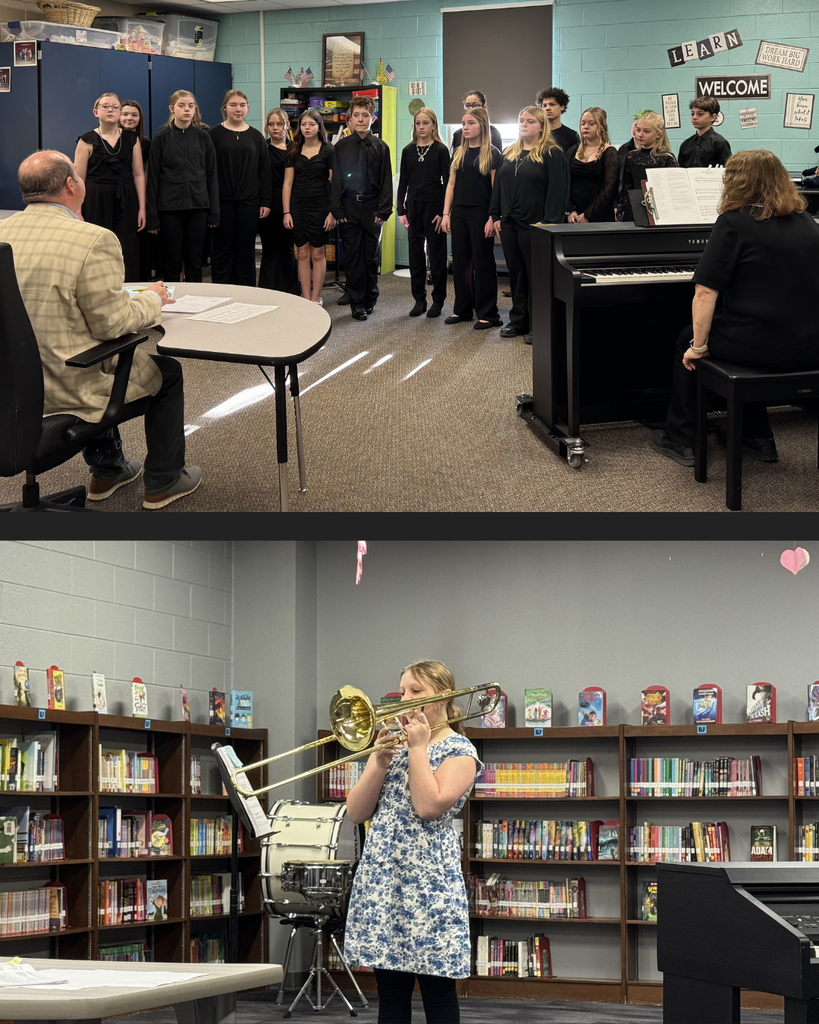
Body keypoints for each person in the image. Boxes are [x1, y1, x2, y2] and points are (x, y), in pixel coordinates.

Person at [0, 151, 202, 510]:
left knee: (99, 349)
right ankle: (163, 481)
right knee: (164, 373)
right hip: (67, 388)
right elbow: (112, 324)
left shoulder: (2, 232)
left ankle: (108, 469)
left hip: (9, 391)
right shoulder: (93, 239)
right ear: (70, 185)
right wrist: (152, 299)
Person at [650, 149, 819, 467]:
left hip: (759, 346)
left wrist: (698, 348)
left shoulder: (734, 221)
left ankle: (681, 438)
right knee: (744, 328)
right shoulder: (806, 222)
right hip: (809, 344)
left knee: (687, 338)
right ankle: (756, 436)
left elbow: (704, 293)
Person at [343, 660, 480, 1024]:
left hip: (428, 886)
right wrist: (378, 760)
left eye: (416, 691)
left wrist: (418, 748)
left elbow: (429, 805)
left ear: (444, 695)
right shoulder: (396, 746)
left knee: (437, 995)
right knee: (390, 997)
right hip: (385, 879)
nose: (405, 699)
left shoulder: (461, 752)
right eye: (402, 690)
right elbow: (356, 812)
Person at [490, 106, 569, 342]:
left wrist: (548, 222)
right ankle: (518, 321)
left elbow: (559, 191)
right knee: (516, 273)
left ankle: (539, 324)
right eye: (521, 120)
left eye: (530, 121)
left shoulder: (552, 153)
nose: (524, 124)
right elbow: (499, 187)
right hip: (510, 222)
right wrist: (495, 215)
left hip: (536, 225)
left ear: (542, 126)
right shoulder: (509, 152)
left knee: (537, 275)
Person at [330, 95, 393, 321]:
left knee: (370, 257)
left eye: (365, 115)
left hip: (372, 209)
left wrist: (383, 212)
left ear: (373, 118)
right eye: (356, 115)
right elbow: (336, 180)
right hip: (348, 209)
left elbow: (386, 182)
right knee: (353, 258)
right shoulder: (342, 147)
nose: (360, 119)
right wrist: (338, 211)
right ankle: (356, 303)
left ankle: (370, 299)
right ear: (350, 119)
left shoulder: (381, 147)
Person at [146, 90, 219, 283]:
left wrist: (214, 210)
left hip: (198, 208)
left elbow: (211, 176)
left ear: (195, 109)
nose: (186, 109)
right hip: (169, 209)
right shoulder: (161, 138)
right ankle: (170, 303)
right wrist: (152, 215)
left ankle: (195, 304)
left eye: (190, 106)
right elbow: (152, 179)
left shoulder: (204, 138)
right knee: (172, 262)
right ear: (172, 109)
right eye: (181, 105)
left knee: (195, 261)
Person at [73, 92, 145, 282]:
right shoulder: (86, 140)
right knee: (99, 246)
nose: (110, 110)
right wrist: (78, 211)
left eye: (115, 107)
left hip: (127, 198)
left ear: (121, 112)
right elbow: (79, 178)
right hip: (96, 199)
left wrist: (142, 208)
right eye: (105, 106)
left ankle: (129, 288)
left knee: (127, 245)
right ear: (96, 112)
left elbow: (138, 174)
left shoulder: (132, 139)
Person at [441, 107, 502, 330]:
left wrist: (492, 217)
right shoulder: (458, 151)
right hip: (459, 214)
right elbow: (451, 185)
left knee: (483, 262)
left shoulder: (493, 153)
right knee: (461, 262)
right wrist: (446, 214)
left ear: (482, 126)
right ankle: (462, 309)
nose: (465, 127)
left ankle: (488, 313)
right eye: (463, 123)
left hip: (481, 214)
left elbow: (497, 190)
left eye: (471, 123)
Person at [207, 90, 272, 286]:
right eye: (233, 104)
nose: (238, 109)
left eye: (242, 105)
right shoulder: (213, 135)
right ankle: (221, 292)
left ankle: (247, 292)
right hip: (221, 203)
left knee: (245, 250)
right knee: (222, 250)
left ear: (248, 108)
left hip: (249, 203)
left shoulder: (256, 136)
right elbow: (207, 171)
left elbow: (264, 171)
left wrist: (266, 201)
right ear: (225, 107)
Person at [396, 107, 450, 318]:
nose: (421, 127)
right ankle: (419, 299)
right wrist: (401, 210)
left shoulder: (440, 150)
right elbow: (404, 183)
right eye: (418, 123)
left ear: (434, 125)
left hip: (434, 207)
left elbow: (447, 183)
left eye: (425, 123)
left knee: (436, 255)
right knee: (415, 254)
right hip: (414, 207)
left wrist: (442, 212)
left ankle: (438, 300)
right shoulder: (408, 150)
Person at [283, 109, 335, 304]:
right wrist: (286, 212)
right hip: (298, 207)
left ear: (319, 126)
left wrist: (333, 212)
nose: (307, 128)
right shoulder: (293, 150)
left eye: (311, 124)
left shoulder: (329, 150)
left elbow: (334, 183)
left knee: (318, 252)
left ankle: (316, 298)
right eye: (303, 124)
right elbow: (287, 184)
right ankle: (305, 298)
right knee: (302, 252)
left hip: (321, 207)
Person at [258, 107, 298, 292]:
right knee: (269, 248)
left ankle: (289, 289)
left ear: (287, 125)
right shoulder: (262, 148)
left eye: (279, 124)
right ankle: (267, 289)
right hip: (268, 201)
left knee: (287, 247)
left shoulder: (295, 149)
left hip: (290, 202)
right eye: (271, 124)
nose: (275, 128)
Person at [617, 111, 678, 221]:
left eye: (646, 131)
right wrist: (622, 209)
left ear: (659, 134)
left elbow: (673, 190)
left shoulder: (666, 158)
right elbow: (626, 188)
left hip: (660, 210)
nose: (640, 134)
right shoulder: (631, 157)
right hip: (635, 208)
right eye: (638, 130)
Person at [120, 99, 154, 281]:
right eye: (125, 114)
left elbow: (145, 173)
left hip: (136, 196)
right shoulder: (106, 140)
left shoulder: (146, 143)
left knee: (134, 242)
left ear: (140, 118)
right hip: (115, 194)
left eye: (134, 115)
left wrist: (144, 201)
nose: (129, 118)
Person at [566, 107, 618, 223]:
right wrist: (570, 210)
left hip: (600, 215)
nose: (586, 127)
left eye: (591, 124)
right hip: (573, 216)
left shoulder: (609, 153)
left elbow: (610, 188)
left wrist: (589, 215)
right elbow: (564, 183)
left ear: (602, 127)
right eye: (583, 123)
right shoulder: (572, 151)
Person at [678, 97, 731, 169]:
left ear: (713, 117)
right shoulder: (685, 144)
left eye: (700, 114)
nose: (694, 117)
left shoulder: (720, 143)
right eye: (692, 114)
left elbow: (728, 170)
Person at [537, 87, 580, 154]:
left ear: (562, 107)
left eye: (552, 104)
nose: (547, 108)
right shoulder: (536, 133)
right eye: (544, 105)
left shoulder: (572, 136)